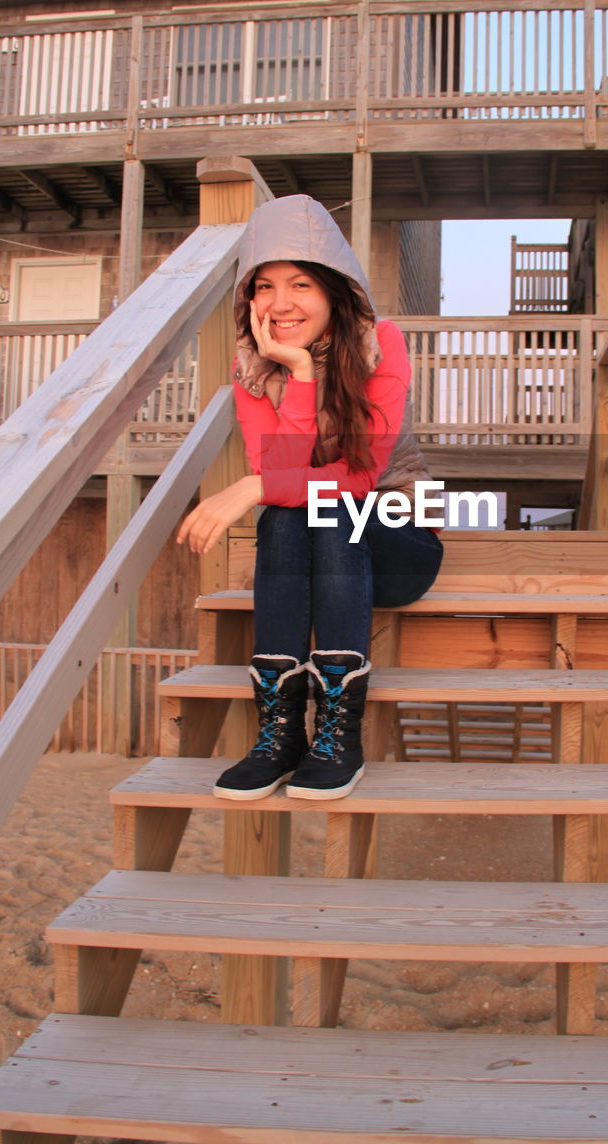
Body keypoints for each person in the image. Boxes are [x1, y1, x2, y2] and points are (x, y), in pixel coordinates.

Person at [177, 194, 443, 801]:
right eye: (264, 287)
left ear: (333, 292)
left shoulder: (383, 346)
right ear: (250, 299)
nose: (281, 302)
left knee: (326, 505)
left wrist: (251, 485)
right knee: (289, 514)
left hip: (398, 544)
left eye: (299, 283)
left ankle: (337, 733)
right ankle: (280, 735)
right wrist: (296, 374)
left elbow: (358, 476)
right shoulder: (253, 372)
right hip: (315, 542)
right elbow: (286, 474)